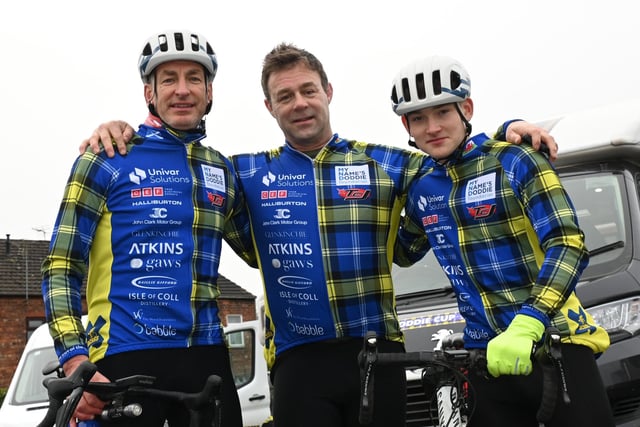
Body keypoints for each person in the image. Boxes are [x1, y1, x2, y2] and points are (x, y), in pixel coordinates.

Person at [80, 44, 558, 427]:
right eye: (284, 96)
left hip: (378, 356)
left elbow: (451, 151)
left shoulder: (387, 163)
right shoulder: (240, 173)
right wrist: (122, 129)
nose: (299, 103)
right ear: (269, 107)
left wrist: (506, 129)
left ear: (328, 91)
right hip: (298, 364)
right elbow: (178, 165)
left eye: (308, 90)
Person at [41, 30, 250, 427]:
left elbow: (263, 248)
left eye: (194, 78)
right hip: (123, 356)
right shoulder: (105, 158)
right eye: (168, 79)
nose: (182, 90)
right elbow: (60, 267)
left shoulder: (221, 170)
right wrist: (76, 360)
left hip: (206, 358)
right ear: (149, 93)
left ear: (210, 92)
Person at [391, 55, 614, 426]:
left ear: (466, 109)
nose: (432, 127)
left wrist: (528, 323)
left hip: (554, 346)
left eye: (443, 112)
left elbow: (569, 245)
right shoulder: (421, 187)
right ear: (407, 126)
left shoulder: (517, 161)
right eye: (418, 118)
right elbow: (401, 252)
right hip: (485, 361)